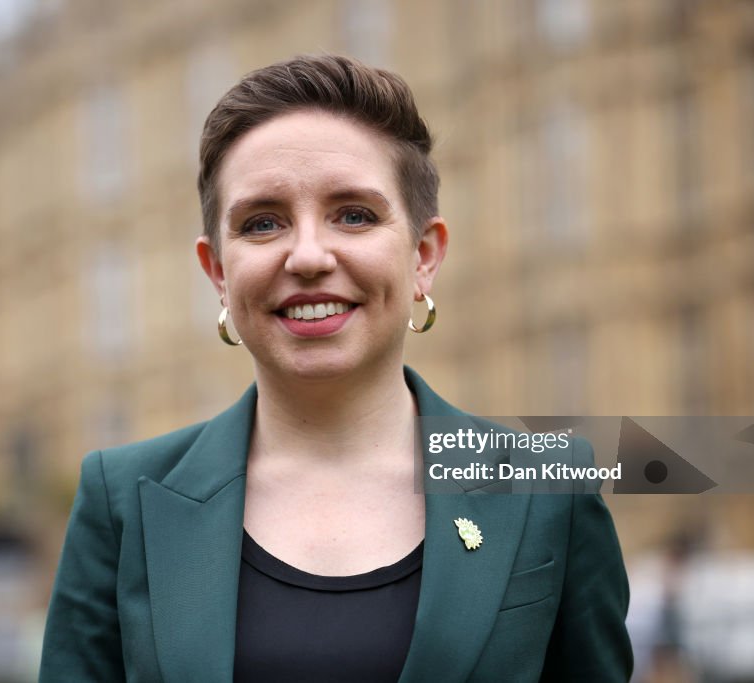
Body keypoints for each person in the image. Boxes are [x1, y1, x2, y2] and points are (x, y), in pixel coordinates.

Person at [39, 54, 633, 682]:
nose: (308, 255)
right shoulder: (122, 501)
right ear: (217, 271)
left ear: (423, 257)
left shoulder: (549, 493)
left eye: (354, 215)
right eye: (262, 223)